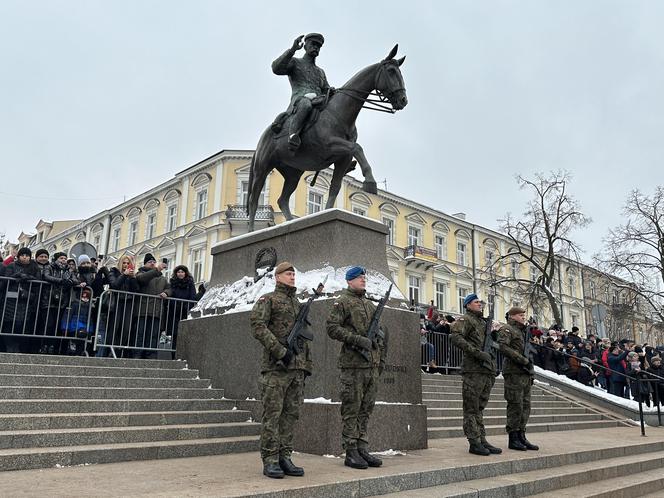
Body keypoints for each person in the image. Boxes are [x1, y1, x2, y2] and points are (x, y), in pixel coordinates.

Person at [250, 262, 311, 479]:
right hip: (275, 368)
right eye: (288, 273)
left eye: (294, 273)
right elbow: (258, 326)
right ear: (277, 277)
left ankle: (285, 456)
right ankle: (270, 459)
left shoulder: (297, 303)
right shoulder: (268, 299)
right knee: (273, 416)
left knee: (290, 416)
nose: (292, 276)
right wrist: (279, 351)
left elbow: (304, 339)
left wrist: (305, 366)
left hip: (296, 368)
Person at [326, 266, 386, 470]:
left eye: (364, 277)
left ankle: (362, 447)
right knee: (351, 408)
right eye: (359, 277)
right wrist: (358, 340)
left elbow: (379, 333)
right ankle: (350, 450)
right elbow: (332, 328)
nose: (363, 279)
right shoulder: (342, 302)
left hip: (370, 365)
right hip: (353, 365)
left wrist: (378, 353)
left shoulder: (369, 305)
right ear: (349, 281)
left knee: (365, 409)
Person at [449, 293, 500, 456]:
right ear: (468, 304)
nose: (480, 304)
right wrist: (476, 353)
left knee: (480, 407)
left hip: (486, 369)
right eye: (477, 302)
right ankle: (474, 441)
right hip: (473, 369)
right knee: (471, 407)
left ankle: (482, 439)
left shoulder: (482, 322)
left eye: (481, 302)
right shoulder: (466, 320)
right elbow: (455, 336)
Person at [271, 33, 332, 150]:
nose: (316, 47)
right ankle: (293, 135)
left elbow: (325, 88)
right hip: (300, 99)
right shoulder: (295, 62)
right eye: (313, 44)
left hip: (319, 100)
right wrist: (292, 50)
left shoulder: (320, 72)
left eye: (318, 46)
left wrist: (332, 91)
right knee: (306, 104)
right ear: (305, 46)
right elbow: (276, 68)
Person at [497, 306, 538, 452]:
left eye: (523, 315)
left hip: (524, 372)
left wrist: (530, 370)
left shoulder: (523, 332)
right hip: (513, 372)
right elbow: (502, 347)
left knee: (526, 406)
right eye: (520, 315)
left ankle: (521, 435)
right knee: (516, 405)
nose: (523, 317)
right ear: (512, 316)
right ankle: (513, 437)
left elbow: (529, 353)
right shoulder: (507, 329)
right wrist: (521, 360)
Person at [0, 247, 41, 352]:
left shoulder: (34, 267)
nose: (25, 257)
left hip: (26, 300)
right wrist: (17, 275)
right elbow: (5, 281)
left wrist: (27, 277)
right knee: (8, 323)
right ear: (18, 256)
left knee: (21, 324)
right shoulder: (11, 265)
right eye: (22, 255)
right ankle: (9, 346)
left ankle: (17, 347)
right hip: (10, 300)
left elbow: (39, 280)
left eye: (27, 255)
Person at [133, 253, 169, 359]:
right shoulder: (140, 273)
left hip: (156, 311)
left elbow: (169, 287)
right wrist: (157, 270)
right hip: (142, 310)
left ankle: (151, 354)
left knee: (153, 335)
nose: (152, 264)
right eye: (150, 262)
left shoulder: (162, 278)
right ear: (145, 264)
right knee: (140, 333)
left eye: (154, 262)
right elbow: (142, 279)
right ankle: (137, 354)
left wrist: (166, 293)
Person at [104, 254, 139, 357]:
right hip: (116, 302)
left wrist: (132, 278)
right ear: (120, 263)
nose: (126, 265)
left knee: (126, 328)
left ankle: (120, 351)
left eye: (128, 263)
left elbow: (136, 289)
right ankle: (109, 351)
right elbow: (114, 285)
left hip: (128, 303)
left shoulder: (131, 275)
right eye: (124, 263)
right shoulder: (113, 271)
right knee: (114, 327)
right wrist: (124, 275)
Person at [164, 265, 196, 353]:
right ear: (176, 273)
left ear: (185, 273)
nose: (180, 274)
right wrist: (174, 304)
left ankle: (183, 353)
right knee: (174, 334)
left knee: (184, 334)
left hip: (185, 312)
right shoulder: (173, 283)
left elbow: (192, 297)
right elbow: (171, 294)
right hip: (174, 312)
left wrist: (186, 306)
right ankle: (174, 353)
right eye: (178, 272)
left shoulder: (190, 283)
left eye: (182, 272)